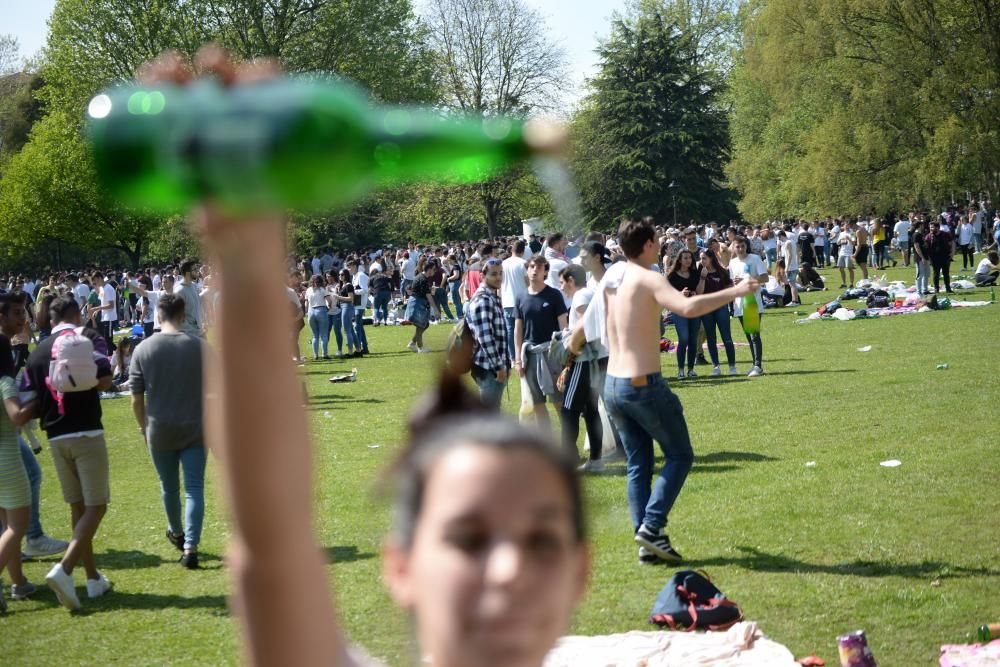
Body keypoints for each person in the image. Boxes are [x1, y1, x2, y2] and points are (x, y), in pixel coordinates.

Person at [567, 218, 757, 563]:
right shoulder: (649, 276)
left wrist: (571, 349)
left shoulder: (612, 278)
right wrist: (736, 291)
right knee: (680, 455)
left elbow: (584, 324)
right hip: (642, 384)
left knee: (639, 464)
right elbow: (686, 309)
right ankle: (652, 527)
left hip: (613, 385)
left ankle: (648, 546)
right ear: (650, 245)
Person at [22, 296, 114, 610]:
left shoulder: (35, 355)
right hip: (87, 431)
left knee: (78, 508)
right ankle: (65, 569)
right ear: (76, 314)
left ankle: (92, 579)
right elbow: (105, 378)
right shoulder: (86, 338)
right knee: (97, 506)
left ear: (49, 319)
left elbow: (28, 396)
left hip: (55, 437)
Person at [130, 294, 208, 570]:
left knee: (169, 487)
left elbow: (135, 398)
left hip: (159, 428)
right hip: (196, 427)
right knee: (194, 488)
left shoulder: (143, 349)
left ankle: (176, 532)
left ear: (158, 316)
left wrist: (143, 427)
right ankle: (191, 546)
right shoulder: (200, 346)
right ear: (183, 316)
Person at [0, 292, 68, 560]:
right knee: (31, 474)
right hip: (6, 434)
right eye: (17, 313)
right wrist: (44, 398)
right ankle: (33, 536)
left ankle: (17, 577)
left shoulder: (9, 343)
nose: (24, 318)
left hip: (8, 430)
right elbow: (10, 393)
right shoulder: (3, 344)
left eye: (24, 312)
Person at [0, 335, 40, 610]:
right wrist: (39, 400)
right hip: (7, 463)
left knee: (6, 528)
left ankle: (18, 583)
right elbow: (16, 416)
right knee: (17, 527)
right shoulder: (5, 381)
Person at [514, 255, 568, 427]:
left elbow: (564, 328)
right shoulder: (520, 296)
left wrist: (566, 356)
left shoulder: (554, 295)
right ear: (527, 269)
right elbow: (518, 329)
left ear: (545, 271)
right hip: (530, 355)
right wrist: (517, 359)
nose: (535, 270)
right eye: (531, 266)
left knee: (559, 402)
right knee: (537, 404)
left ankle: (568, 447)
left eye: (539, 267)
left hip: (552, 354)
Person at [557, 264, 603, 467]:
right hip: (595, 360)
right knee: (590, 409)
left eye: (562, 282)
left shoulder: (581, 296)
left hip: (584, 360)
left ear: (571, 281)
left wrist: (571, 348)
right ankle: (596, 460)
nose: (561, 287)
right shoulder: (591, 292)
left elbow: (587, 326)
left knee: (569, 410)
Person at [465, 258, 509, 409]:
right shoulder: (483, 300)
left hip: (494, 366)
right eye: (493, 274)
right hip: (488, 367)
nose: (498, 277)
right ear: (483, 276)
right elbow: (485, 338)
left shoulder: (492, 297)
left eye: (500, 273)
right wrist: (499, 367)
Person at [728, 237, 768, 377]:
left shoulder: (755, 259)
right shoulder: (732, 263)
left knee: (754, 335)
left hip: (752, 301)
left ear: (747, 246)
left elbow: (765, 278)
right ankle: (755, 365)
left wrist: (747, 280)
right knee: (748, 336)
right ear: (733, 248)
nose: (740, 249)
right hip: (739, 303)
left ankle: (758, 365)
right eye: (737, 246)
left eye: (742, 246)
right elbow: (734, 283)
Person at [695, 249, 737, 376]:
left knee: (727, 338)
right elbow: (699, 292)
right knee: (711, 339)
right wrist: (702, 277)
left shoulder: (722, 272)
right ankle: (716, 367)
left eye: (704, 258)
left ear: (711, 258)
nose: (701, 261)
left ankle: (732, 367)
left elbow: (730, 288)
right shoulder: (699, 273)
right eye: (700, 258)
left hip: (721, 309)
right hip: (706, 310)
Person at [665, 250, 700, 379]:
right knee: (684, 338)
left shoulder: (695, 274)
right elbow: (667, 295)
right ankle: (681, 370)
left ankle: (691, 369)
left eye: (690, 258)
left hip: (694, 309)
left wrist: (695, 293)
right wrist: (680, 294)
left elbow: (699, 290)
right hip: (679, 310)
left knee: (693, 339)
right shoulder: (672, 275)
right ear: (679, 260)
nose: (688, 260)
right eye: (685, 258)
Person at [500, 240, 528, 362]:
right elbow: (528, 283)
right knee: (524, 329)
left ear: (511, 250)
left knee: (510, 329)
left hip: (507, 300)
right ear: (523, 251)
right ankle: (522, 354)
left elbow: (499, 283)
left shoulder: (503, 264)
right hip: (522, 300)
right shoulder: (523, 263)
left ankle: (512, 357)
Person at [405, 262, 437, 353]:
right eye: (434, 269)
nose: (434, 271)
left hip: (418, 302)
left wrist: (431, 290)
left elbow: (424, 292)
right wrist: (435, 309)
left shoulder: (421, 277)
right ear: (429, 269)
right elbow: (428, 296)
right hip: (417, 303)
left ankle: (412, 343)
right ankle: (420, 348)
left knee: (425, 325)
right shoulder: (423, 279)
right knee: (420, 325)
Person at [174, 260, 203, 336]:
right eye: (195, 269)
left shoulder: (194, 286)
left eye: (197, 268)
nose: (198, 271)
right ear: (187, 273)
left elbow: (197, 309)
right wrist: (193, 330)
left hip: (199, 332)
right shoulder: (179, 291)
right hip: (188, 335)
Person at [927, 218, 955, 294]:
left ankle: (948, 288)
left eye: (932, 227)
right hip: (934, 258)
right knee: (936, 274)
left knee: (946, 273)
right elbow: (926, 248)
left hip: (945, 257)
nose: (931, 229)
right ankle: (936, 289)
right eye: (930, 228)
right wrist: (929, 258)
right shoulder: (929, 236)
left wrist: (952, 253)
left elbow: (952, 242)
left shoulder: (945, 234)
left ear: (937, 227)